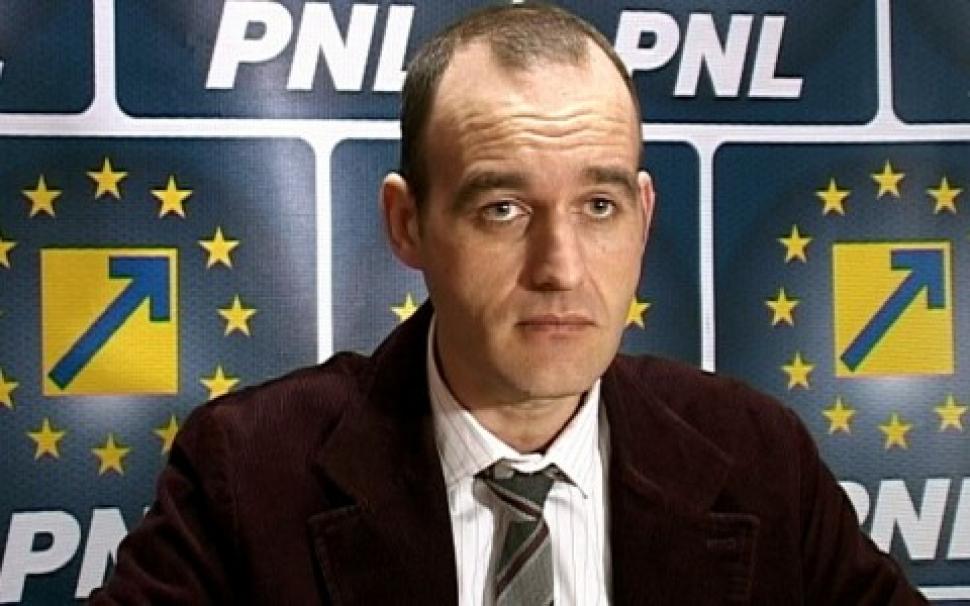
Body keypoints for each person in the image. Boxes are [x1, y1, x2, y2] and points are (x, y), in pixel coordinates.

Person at [92, 2, 926, 604]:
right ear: (407, 223)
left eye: (598, 206)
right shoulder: (247, 474)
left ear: (643, 217)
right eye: (503, 209)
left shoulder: (758, 459)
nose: (560, 267)